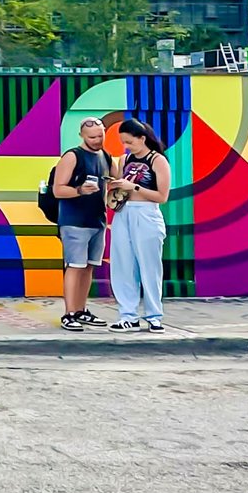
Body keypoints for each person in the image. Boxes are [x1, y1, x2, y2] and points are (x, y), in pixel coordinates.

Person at [105, 119, 172, 333]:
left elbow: (162, 196)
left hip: (146, 213)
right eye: (123, 142)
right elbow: (119, 187)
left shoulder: (157, 160)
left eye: (130, 142)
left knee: (149, 266)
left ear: (142, 138)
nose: (127, 146)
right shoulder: (125, 160)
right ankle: (128, 314)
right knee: (123, 264)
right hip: (124, 212)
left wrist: (133, 186)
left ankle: (154, 315)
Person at [51, 118, 115, 331]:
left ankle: (81, 309)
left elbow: (116, 182)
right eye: (92, 137)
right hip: (74, 221)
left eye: (100, 136)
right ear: (82, 136)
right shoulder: (72, 156)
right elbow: (58, 189)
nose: (97, 140)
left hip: (97, 220)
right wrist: (79, 191)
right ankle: (69, 313)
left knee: (88, 267)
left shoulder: (106, 156)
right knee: (74, 266)